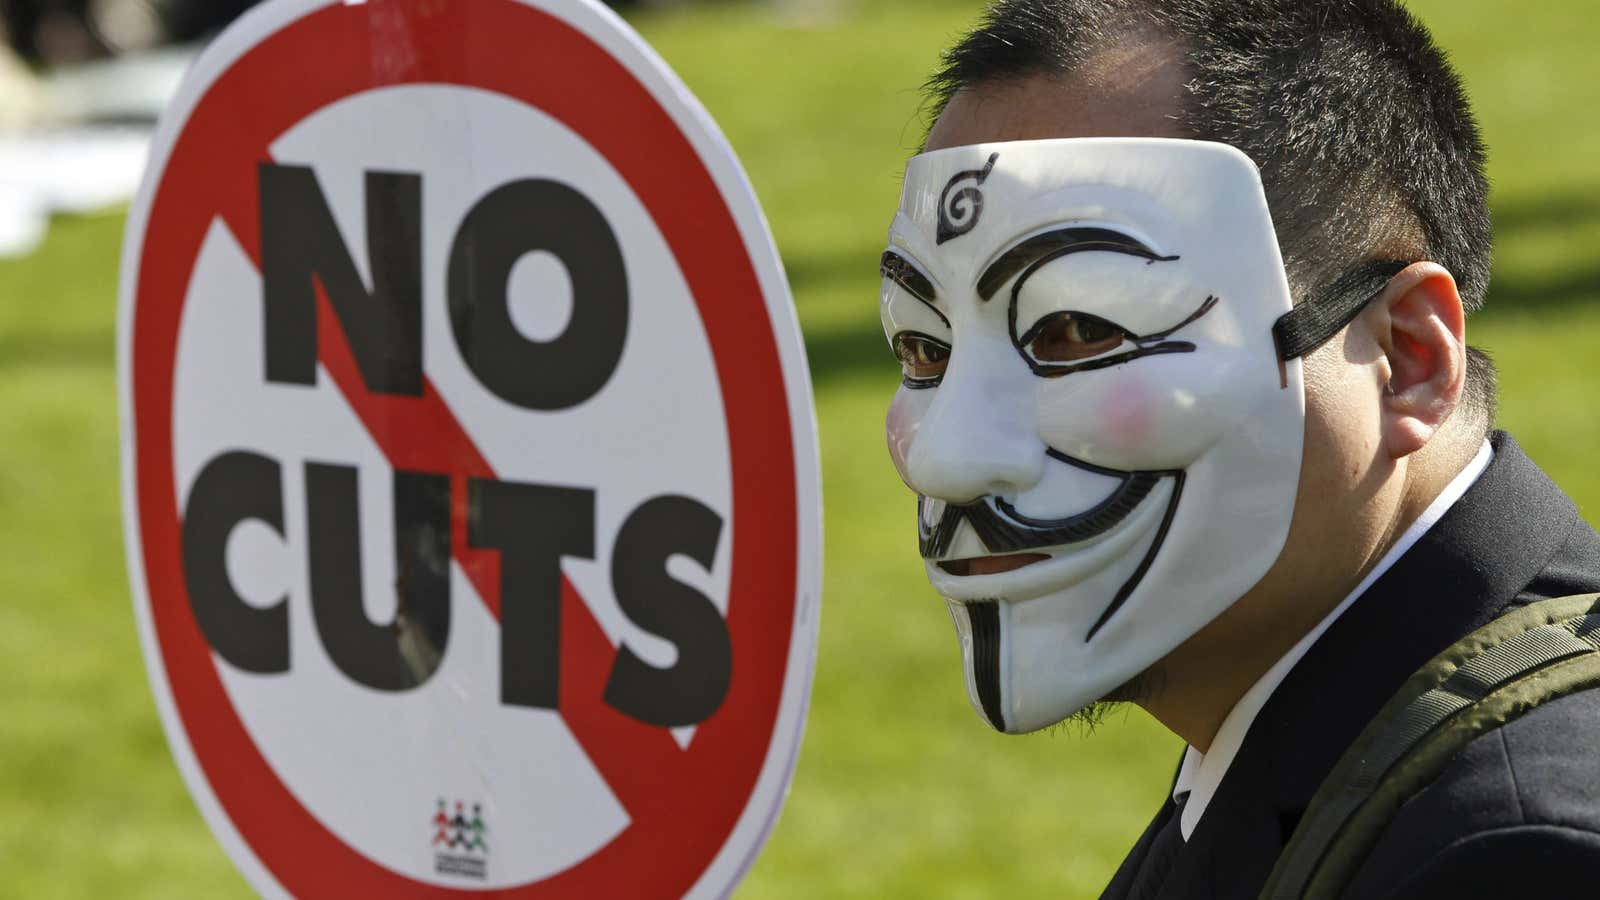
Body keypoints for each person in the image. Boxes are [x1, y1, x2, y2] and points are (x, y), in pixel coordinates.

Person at [877, 1, 1600, 897]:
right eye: (922, 349)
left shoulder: (1515, 852)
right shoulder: (1309, 749)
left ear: (1408, 358)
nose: (946, 458)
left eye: (1075, 329)